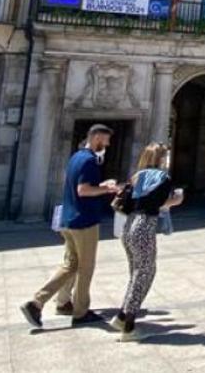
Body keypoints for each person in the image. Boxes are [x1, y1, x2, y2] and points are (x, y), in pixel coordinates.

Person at [20, 124, 118, 328]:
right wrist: (106, 189)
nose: (107, 145)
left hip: (68, 218)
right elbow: (83, 190)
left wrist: (101, 185)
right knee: (85, 267)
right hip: (84, 221)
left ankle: (57, 302)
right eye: (106, 140)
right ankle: (80, 312)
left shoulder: (76, 157)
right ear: (97, 137)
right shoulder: (90, 161)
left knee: (70, 264)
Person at [112, 143, 183, 341]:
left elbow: (129, 202)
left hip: (128, 226)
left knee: (136, 273)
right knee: (145, 273)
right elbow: (161, 202)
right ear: (160, 159)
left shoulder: (137, 176)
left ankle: (121, 316)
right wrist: (176, 200)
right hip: (144, 226)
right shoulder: (163, 177)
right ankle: (128, 326)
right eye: (164, 156)